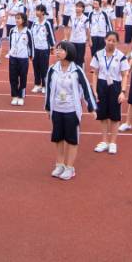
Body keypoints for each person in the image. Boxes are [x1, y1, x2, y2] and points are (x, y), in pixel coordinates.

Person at [46, 41, 96, 181]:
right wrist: (48, 108)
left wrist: (92, 108)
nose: (57, 52)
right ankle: (60, 164)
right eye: (57, 50)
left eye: (61, 50)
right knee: (58, 138)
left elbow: (86, 89)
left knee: (71, 139)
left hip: (71, 110)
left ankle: (70, 167)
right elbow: (49, 90)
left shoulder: (76, 70)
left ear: (69, 52)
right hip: (57, 109)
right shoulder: (52, 69)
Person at [90, 31, 129, 155]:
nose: (111, 42)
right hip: (101, 85)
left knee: (114, 115)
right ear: (105, 40)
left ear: (117, 42)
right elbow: (95, 73)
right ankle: (104, 141)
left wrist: (123, 91)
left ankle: (113, 142)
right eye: (109, 40)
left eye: (114, 41)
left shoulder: (121, 56)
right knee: (103, 115)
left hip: (115, 86)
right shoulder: (98, 54)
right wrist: (94, 90)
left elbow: (124, 75)